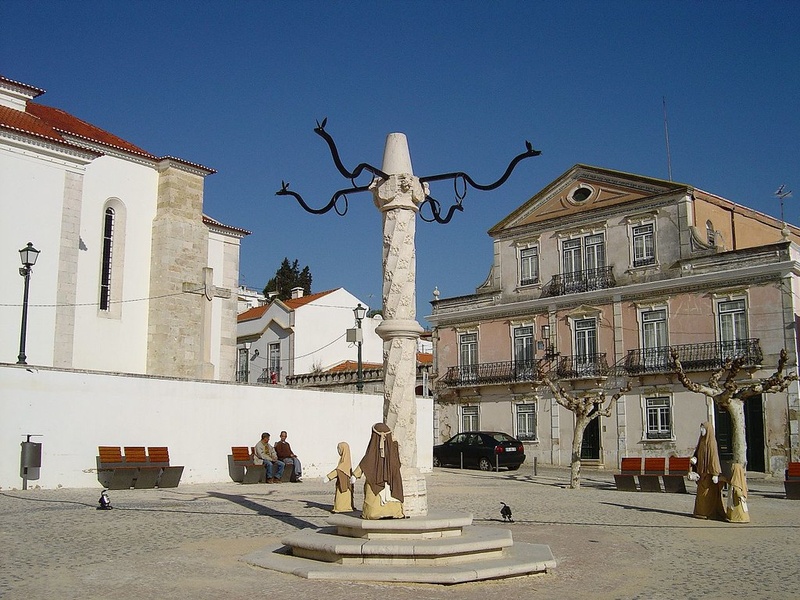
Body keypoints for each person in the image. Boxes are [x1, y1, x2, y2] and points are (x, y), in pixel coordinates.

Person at [352, 422, 404, 519]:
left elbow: (365, 463)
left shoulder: (373, 452)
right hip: (390, 482)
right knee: (391, 495)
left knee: (373, 500)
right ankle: (394, 512)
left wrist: (355, 475)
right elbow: (397, 464)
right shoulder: (392, 449)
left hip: (376, 483)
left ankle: (376, 513)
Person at [689, 421, 725, 520]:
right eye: (701, 428)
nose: (701, 430)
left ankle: (709, 513)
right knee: (701, 496)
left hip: (709, 474)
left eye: (703, 429)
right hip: (701, 473)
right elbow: (697, 453)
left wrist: (715, 473)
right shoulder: (701, 441)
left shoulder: (712, 443)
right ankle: (700, 512)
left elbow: (714, 458)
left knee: (708, 495)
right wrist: (695, 459)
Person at [325, 441, 356, 513]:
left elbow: (338, 471)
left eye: (339, 449)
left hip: (343, 483)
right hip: (346, 483)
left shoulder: (344, 463)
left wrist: (328, 477)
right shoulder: (347, 461)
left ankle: (341, 508)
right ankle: (348, 506)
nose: (338, 451)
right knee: (347, 496)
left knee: (341, 496)